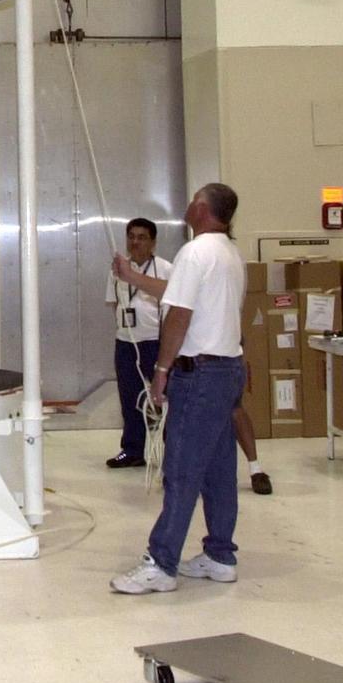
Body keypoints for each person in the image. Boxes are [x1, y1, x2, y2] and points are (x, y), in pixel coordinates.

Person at [110, 182, 247, 595]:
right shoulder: (229, 253)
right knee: (219, 469)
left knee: (181, 470)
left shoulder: (194, 252)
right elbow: (178, 293)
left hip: (199, 374)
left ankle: (161, 563)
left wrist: (161, 370)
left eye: (193, 201)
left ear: (202, 209)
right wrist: (132, 277)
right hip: (227, 369)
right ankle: (220, 555)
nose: (188, 206)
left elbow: (179, 315)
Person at [103, 217, 172, 469]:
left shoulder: (165, 269)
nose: (135, 242)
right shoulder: (117, 270)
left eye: (142, 237)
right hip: (126, 343)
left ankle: (171, 451)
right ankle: (132, 450)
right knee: (129, 396)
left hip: (155, 342)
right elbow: (114, 303)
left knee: (164, 398)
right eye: (131, 237)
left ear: (152, 242)